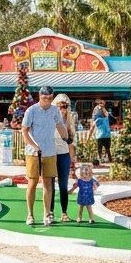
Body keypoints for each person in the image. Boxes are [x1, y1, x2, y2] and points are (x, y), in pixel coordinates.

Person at [21, 85, 63, 227]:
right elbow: (24, 132)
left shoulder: (55, 110)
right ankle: (30, 214)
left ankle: (47, 214)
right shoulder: (31, 111)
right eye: (45, 98)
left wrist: (67, 139)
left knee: (48, 184)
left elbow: (60, 126)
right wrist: (34, 146)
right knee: (32, 183)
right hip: (33, 153)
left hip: (50, 151)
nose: (47, 101)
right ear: (40, 97)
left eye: (50, 98)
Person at [51, 93, 77, 221]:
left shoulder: (69, 122)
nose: (62, 109)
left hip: (64, 155)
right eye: (59, 106)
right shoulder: (49, 120)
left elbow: (72, 144)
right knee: (49, 184)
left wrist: (72, 162)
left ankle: (64, 212)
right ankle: (49, 212)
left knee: (63, 185)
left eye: (65, 106)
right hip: (50, 155)